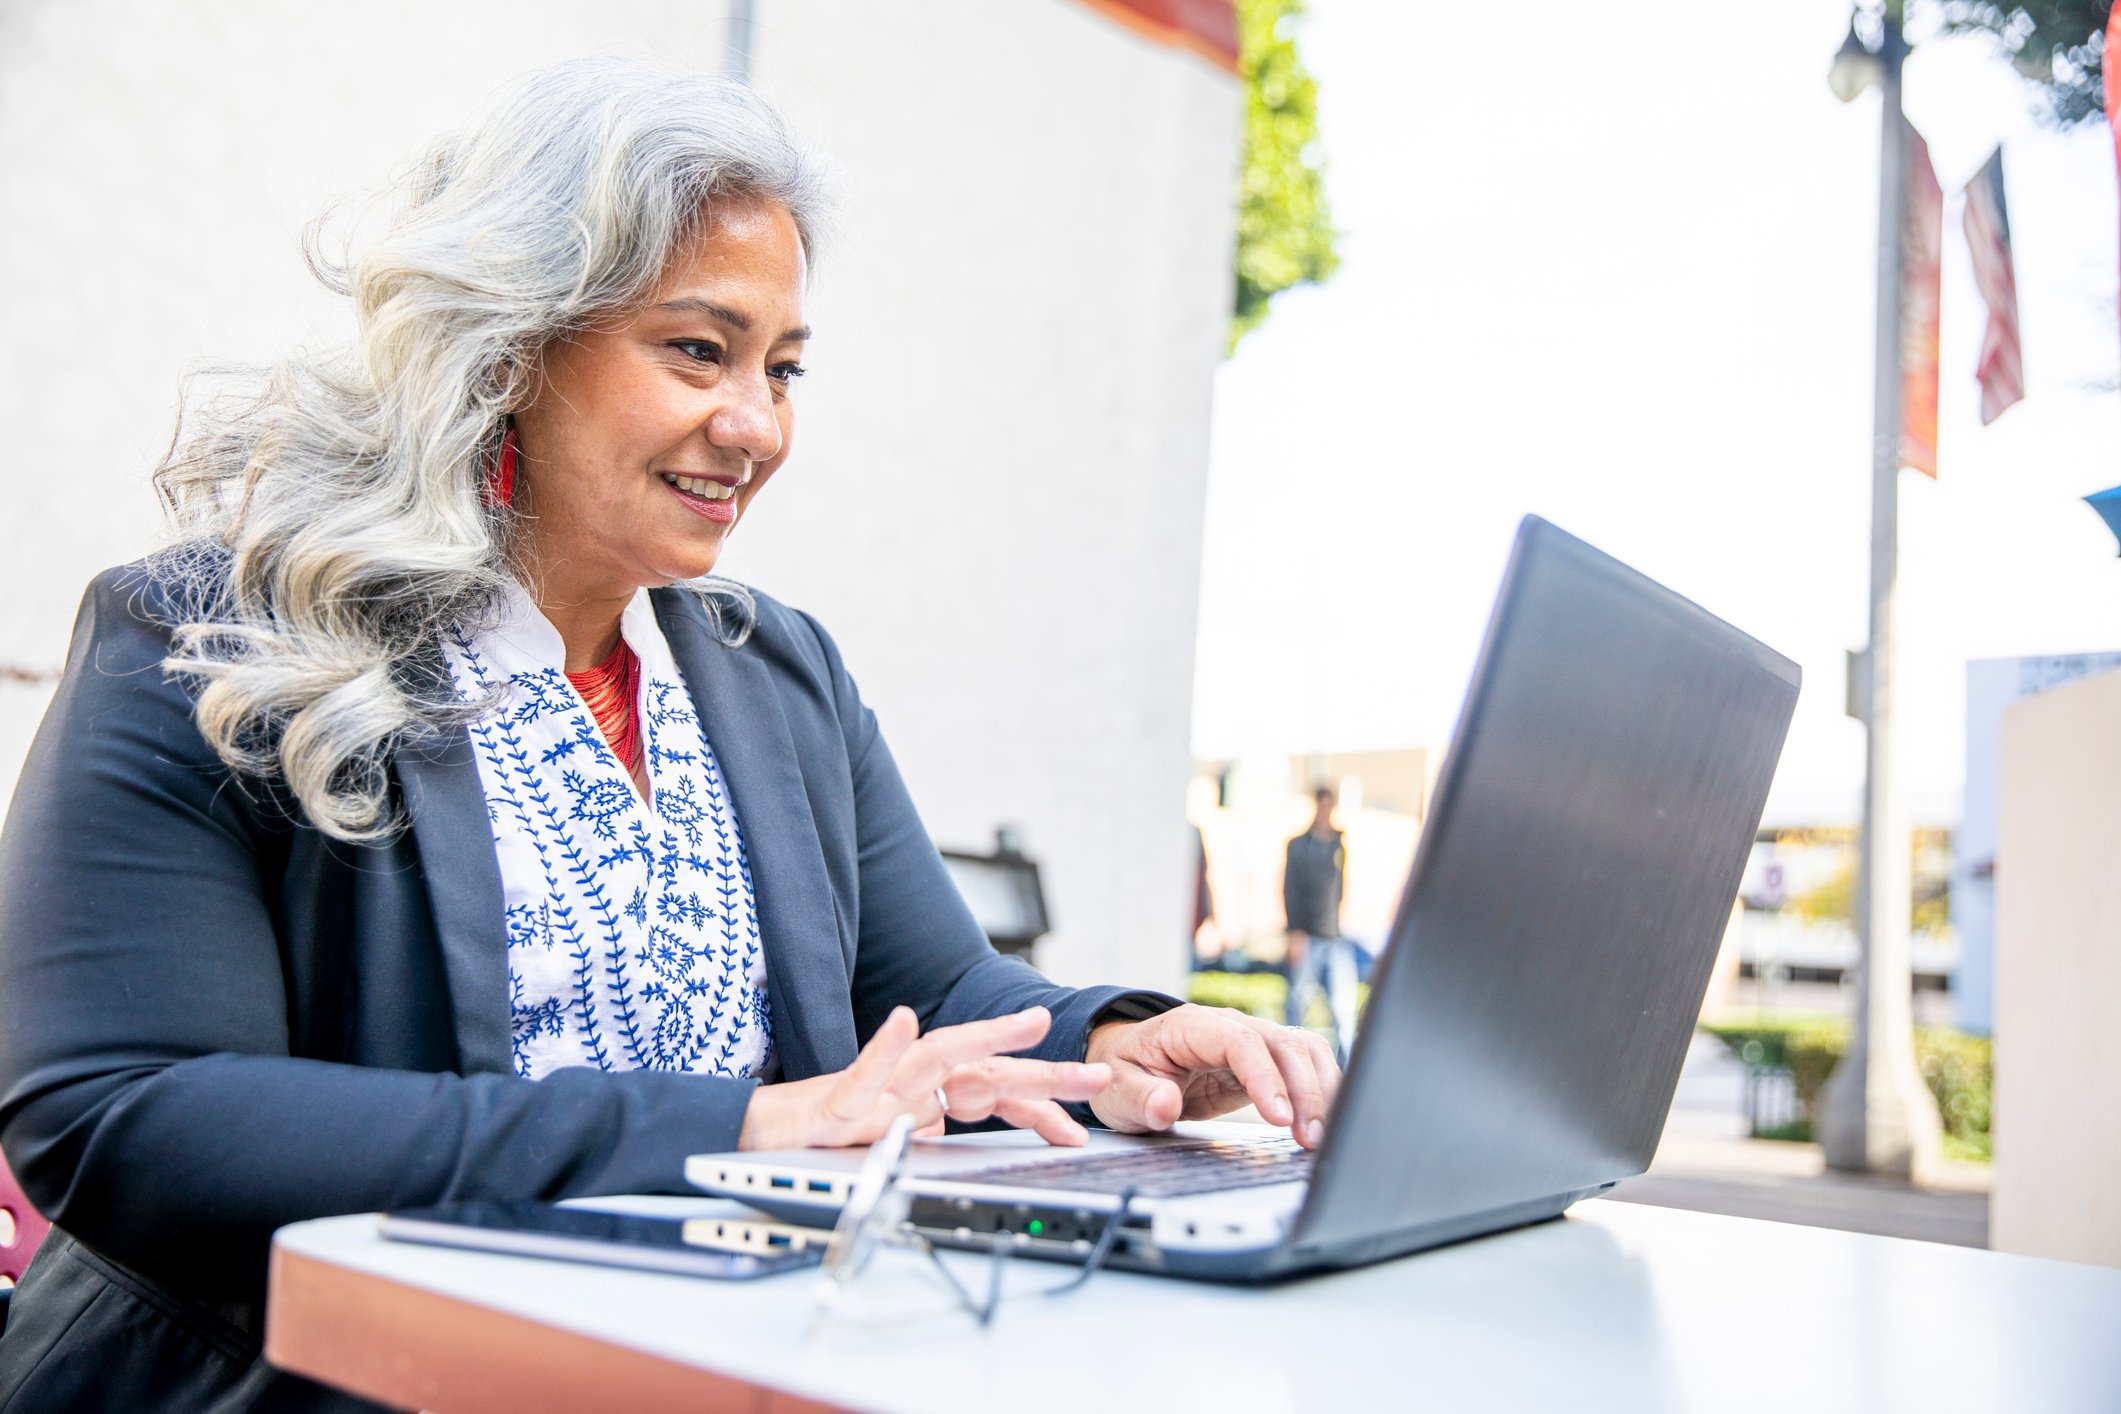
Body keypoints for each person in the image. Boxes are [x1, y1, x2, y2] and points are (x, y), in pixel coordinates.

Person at [0, 60, 1341, 1412]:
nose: (756, 425)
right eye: (698, 350)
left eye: (785, 368)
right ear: (513, 346)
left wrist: (1114, 1038)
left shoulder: (779, 673)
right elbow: (129, 1116)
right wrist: (745, 1131)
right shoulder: (209, 639)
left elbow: (929, 995)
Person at [1283, 786, 1358, 1056]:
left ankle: (1344, 1075)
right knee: (1297, 1007)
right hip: (1307, 937)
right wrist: (1295, 932)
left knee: (1343, 1011)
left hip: (1334, 938)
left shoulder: (1339, 843)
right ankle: (1290, 1062)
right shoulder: (1300, 845)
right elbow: (1290, 888)